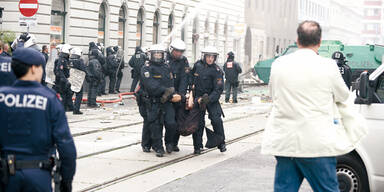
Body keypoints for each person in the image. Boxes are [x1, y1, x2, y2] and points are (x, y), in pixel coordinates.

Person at [261, 21, 351, 192]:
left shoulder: (279, 64)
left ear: (297, 40)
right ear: (320, 42)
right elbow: (343, 96)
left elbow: (273, 95)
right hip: (317, 144)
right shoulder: (328, 66)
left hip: (286, 143)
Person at [0, 47, 76, 192]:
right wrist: (66, 182)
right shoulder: (50, 99)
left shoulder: (2, 97)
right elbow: (66, 147)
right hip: (39, 176)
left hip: (6, 177)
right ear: (34, 69)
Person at [140, 44, 181, 157]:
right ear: (151, 55)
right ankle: (157, 147)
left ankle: (169, 142)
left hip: (167, 101)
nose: (158, 56)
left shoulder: (166, 67)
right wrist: (166, 91)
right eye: (156, 53)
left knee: (171, 123)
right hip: (153, 101)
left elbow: (171, 83)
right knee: (155, 125)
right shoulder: (146, 68)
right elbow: (151, 85)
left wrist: (172, 93)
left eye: (160, 53)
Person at [191, 46, 226, 155]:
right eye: (208, 56)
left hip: (211, 99)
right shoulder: (197, 66)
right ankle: (197, 146)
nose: (210, 59)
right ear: (204, 56)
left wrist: (209, 99)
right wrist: (192, 96)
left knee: (216, 119)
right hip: (198, 99)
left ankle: (221, 143)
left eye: (212, 57)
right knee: (198, 122)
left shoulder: (217, 70)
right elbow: (191, 80)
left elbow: (218, 89)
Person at [165, 39, 190, 152]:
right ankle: (167, 142)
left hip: (179, 96)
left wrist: (181, 95)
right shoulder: (165, 59)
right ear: (171, 50)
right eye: (177, 51)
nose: (179, 54)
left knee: (178, 121)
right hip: (167, 94)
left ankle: (174, 143)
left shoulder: (184, 61)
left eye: (181, 51)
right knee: (169, 122)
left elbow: (185, 78)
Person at [54, 44, 73, 111]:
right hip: (62, 82)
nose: (70, 52)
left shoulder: (66, 59)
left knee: (68, 94)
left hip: (65, 80)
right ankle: (63, 109)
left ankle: (69, 107)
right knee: (63, 96)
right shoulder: (61, 60)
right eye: (69, 50)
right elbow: (60, 71)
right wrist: (65, 80)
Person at [69, 47, 87, 115]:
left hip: (71, 79)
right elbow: (83, 70)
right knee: (79, 95)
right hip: (78, 80)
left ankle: (68, 107)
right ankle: (76, 109)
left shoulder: (70, 60)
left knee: (69, 94)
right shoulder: (79, 61)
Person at [87, 43, 103, 108]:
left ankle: (89, 103)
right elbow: (97, 71)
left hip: (90, 78)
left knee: (90, 90)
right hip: (95, 78)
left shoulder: (90, 60)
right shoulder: (95, 61)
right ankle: (93, 103)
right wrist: (100, 78)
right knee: (94, 91)